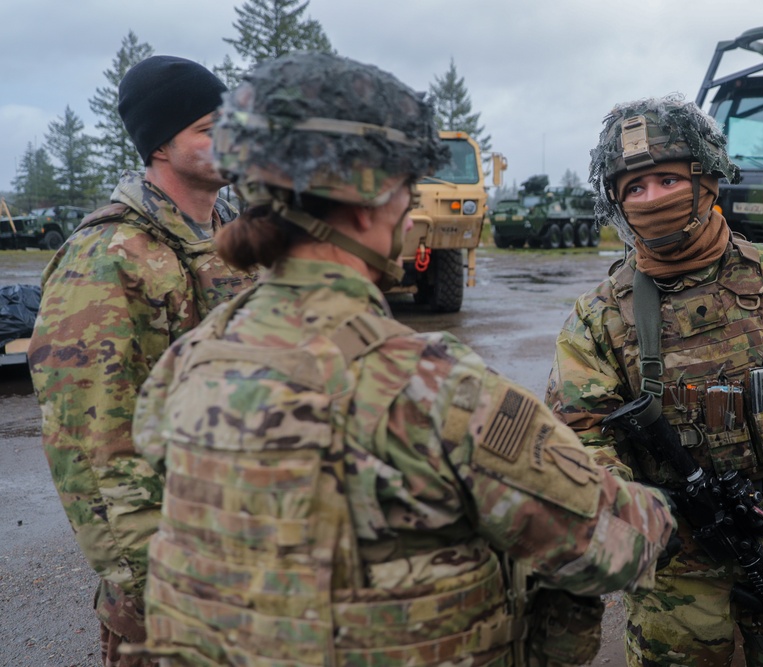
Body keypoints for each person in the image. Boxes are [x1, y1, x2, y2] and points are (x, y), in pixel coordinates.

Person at [126, 52, 676, 667]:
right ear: (369, 204)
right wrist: (658, 504)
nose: (412, 213)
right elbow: (612, 545)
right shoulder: (433, 389)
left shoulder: (191, 360)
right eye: (408, 193)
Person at [544, 95, 763, 667]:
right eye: (633, 188)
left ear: (705, 180)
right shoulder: (601, 315)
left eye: (665, 179)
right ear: (616, 204)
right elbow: (577, 433)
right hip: (672, 557)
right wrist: (634, 506)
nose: (651, 198)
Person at [28, 55, 256, 666]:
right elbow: (92, 450)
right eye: (210, 128)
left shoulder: (236, 240)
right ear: (160, 144)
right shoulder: (106, 259)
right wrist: (150, 591)